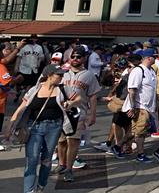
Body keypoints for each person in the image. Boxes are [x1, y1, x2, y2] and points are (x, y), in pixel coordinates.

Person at [7, 65, 78, 193]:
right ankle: (29, 191)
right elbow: (22, 107)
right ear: (49, 76)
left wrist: (71, 103)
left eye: (62, 75)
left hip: (54, 127)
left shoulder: (62, 89)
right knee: (32, 160)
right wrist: (11, 124)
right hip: (34, 128)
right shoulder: (34, 90)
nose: (62, 77)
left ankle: (41, 186)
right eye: (59, 75)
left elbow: (79, 98)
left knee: (46, 159)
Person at [57, 47, 100, 182]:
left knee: (73, 141)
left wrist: (92, 114)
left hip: (78, 113)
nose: (75, 59)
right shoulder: (62, 73)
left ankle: (69, 169)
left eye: (78, 57)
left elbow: (93, 96)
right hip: (61, 112)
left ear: (84, 58)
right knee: (61, 141)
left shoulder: (89, 75)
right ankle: (62, 164)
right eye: (73, 56)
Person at [123, 49, 158, 163]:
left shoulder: (151, 70)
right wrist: (133, 107)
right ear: (148, 58)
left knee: (134, 133)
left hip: (148, 107)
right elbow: (132, 90)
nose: (155, 58)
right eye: (154, 56)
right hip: (140, 106)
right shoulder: (138, 71)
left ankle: (117, 146)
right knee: (140, 133)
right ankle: (140, 154)